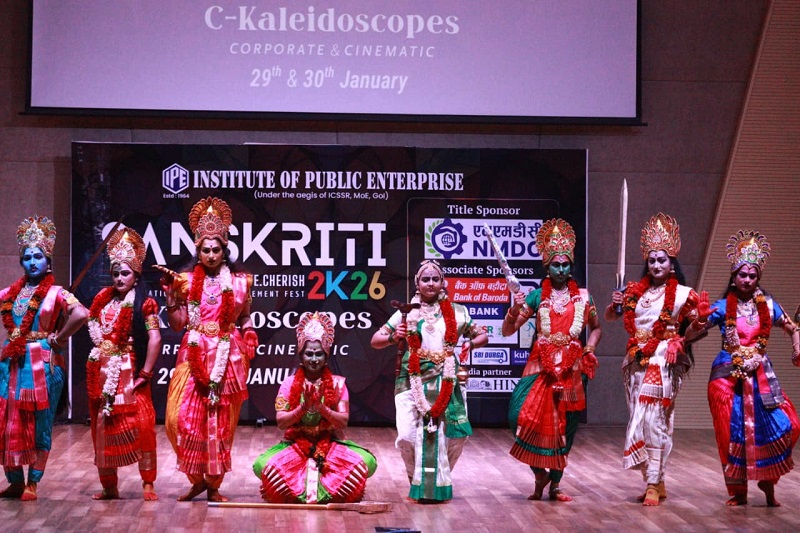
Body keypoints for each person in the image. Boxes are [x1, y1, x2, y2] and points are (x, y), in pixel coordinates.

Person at [686, 230, 800, 507]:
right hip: (726, 376)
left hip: (761, 376)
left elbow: (793, 328)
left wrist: (797, 347)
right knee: (731, 433)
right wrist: (699, 321)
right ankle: (738, 491)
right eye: (742, 275)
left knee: (790, 424)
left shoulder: (768, 305)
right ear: (733, 276)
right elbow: (689, 335)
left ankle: (768, 479)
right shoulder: (722, 306)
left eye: (752, 276)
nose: (747, 280)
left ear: (758, 278)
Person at [157, 197, 258, 502]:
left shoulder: (241, 282)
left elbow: (244, 316)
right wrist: (171, 298)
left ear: (224, 249)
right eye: (205, 250)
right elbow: (178, 325)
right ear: (197, 251)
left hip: (228, 354)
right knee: (177, 420)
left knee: (220, 424)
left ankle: (213, 485)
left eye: (216, 249)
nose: (211, 255)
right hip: (194, 352)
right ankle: (196, 479)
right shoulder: (184, 281)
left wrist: (249, 331)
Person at [371, 259, 488, 503]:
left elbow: (482, 336)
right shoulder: (407, 312)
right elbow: (375, 340)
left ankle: (440, 480)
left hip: (448, 378)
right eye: (426, 279)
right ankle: (416, 479)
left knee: (456, 436)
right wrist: (393, 337)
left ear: (443, 282)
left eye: (436, 279)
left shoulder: (458, 312)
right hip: (411, 379)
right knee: (406, 436)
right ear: (417, 283)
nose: (431, 283)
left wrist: (470, 343)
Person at [605, 213, 700, 506]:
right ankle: (657, 480)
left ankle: (651, 484)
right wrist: (615, 304)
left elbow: (698, 328)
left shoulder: (683, 294)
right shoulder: (636, 292)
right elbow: (612, 318)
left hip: (664, 362)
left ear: (672, 262)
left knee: (654, 420)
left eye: (662, 260)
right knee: (640, 420)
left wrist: (683, 338)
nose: (657, 265)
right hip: (636, 362)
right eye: (652, 260)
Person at [502, 218, 601, 502]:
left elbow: (596, 328)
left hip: (572, 368)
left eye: (565, 265)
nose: (561, 270)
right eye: (556, 265)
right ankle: (539, 473)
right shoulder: (536, 296)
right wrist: (513, 310)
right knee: (517, 416)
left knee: (566, 426)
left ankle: (555, 484)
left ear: (571, 266)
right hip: (540, 366)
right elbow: (508, 331)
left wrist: (589, 347)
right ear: (547, 266)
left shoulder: (583, 297)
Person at [0, 215, 88, 501]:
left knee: (40, 424)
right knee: (8, 421)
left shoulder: (56, 293)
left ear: (48, 262)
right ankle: (15, 481)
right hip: (11, 365)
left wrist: (59, 338)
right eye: (27, 257)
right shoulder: (11, 294)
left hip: (43, 364)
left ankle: (33, 482)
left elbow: (81, 314)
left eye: (38, 256)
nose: (32, 262)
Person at [253, 312, 377, 503]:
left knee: (368, 462)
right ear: (301, 356)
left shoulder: (337, 384)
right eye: (309, 354)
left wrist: (321, 408)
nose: (313, 359)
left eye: (318, 354)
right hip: (296, 444)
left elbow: (343, 422)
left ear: (326, 357)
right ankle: (313, 490)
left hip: (330, 443)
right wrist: (303, 408)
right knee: (261, 465)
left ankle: (316, 489)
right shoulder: (288, 384)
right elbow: (281, 422)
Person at [85, 228, 160, 500]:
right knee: (102, 427)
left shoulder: (145, 304)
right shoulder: (102, 302)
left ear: (136, 276)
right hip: (102, 371)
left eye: (125, 273)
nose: (119, 278)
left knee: (143, 425)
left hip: (130, 370)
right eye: (115, 273)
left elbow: (155, 338)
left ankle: (148, 483)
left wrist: (146, 373)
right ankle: (109, 486)